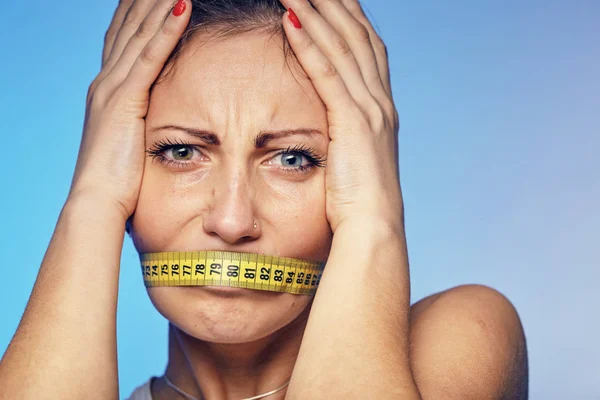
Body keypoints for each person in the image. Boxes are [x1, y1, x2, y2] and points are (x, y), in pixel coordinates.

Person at [0, 0, 529, 399]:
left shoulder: (462, 334)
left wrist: (373, 221)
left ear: (358, 173)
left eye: (295, 159)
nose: (232, 221)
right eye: (180, 151)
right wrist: (91, 202)